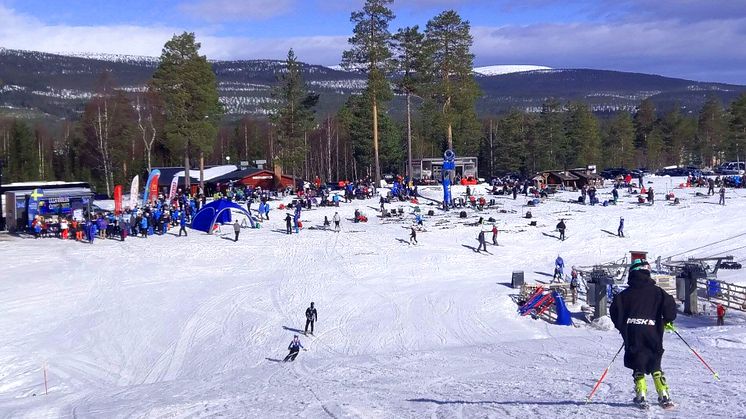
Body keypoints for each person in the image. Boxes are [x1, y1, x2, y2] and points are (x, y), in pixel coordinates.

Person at [610, 259, 677, 409]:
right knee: (654, 361)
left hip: (633, 332)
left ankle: (641, 395)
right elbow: (670, 308)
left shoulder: (624, 295)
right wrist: (667, 320)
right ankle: (663, 395)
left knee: (637, 360)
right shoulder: (658, 292)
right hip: (652, 330)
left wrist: (623, 327)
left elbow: (615, 311)